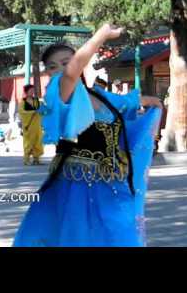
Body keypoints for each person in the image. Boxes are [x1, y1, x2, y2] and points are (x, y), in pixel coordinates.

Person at [13, 24, 163, 247]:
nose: (62, 69)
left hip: (110, 184)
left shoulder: (96, 95)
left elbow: (123, 102)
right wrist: (101, 35)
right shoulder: (59, 92)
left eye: (66, 62)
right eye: (53, 67)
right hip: (77, 188)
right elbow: (72, 71)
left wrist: (151, 102)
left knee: (119, 234)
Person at [18, 84, 44, 165]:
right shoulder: (23, 102)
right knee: (28, 142)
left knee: (38, 141)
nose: (32, 92)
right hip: (28, 126)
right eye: (30, 90)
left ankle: (36, 159)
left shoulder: (36, 101)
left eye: (33, 90)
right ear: (26, 92)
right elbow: (22, 112)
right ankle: (26, 159)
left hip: (37, 125)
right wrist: (32, 112)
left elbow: (41, 111)